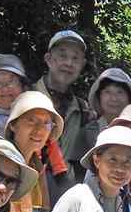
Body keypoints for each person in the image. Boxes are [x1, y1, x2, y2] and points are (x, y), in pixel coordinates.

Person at [1, 91, 74, 212]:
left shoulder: (38, 170)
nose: (40, 130)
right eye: (31, 121)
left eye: (46, 123)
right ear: (13, 125)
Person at [37, 29, 91, 165]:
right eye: (62, 56)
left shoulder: (83, 110)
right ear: (48, 59)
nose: (69, 63)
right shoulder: (26, 98)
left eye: (75, 58)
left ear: (82, 65)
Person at [78, 67, 131, 167]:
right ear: (99, 97)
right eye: (107, 92)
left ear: (129, 97)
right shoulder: (88, 132)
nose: (114, 98)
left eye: (120, 92)